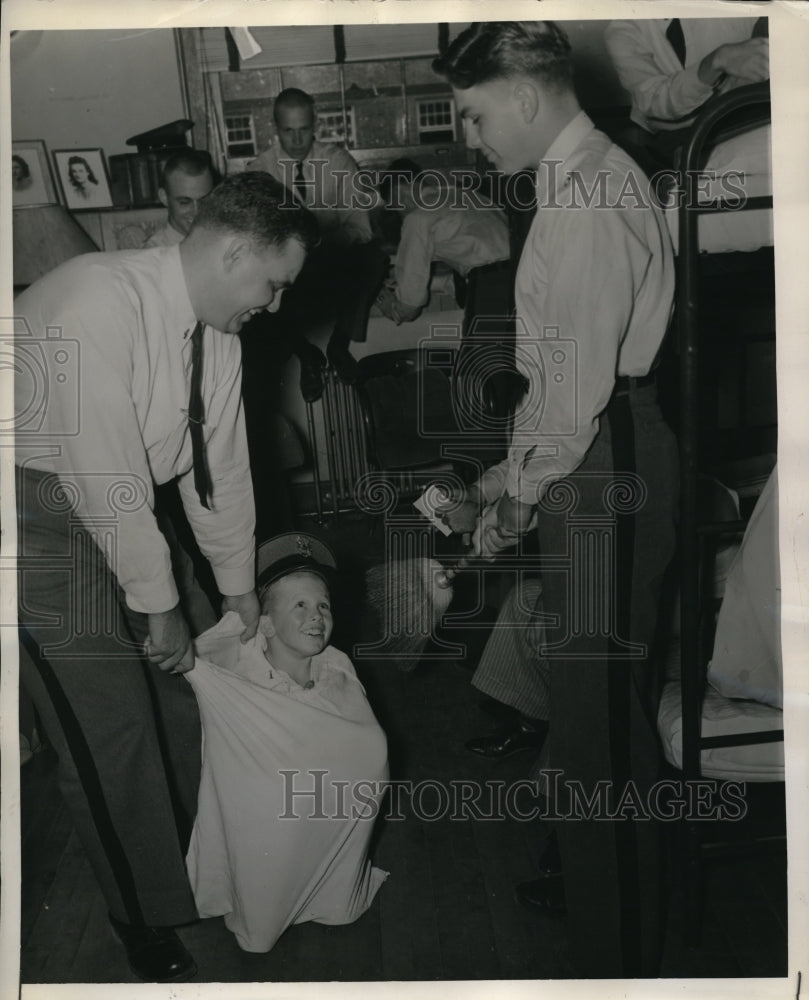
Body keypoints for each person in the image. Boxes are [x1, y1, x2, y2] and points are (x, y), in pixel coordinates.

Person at [14, 172, 318, 983]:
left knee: (193, 689)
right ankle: (138, 914)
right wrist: (159, 605)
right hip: (34, 518)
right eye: (274, 283)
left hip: (120, 507)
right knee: (109, 727)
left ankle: (198, 863)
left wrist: (235, 588)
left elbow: (218, 468)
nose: (275, 305)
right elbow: (102, 474)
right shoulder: (95, 301)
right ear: (233, 251)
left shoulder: (216, 330)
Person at [433, 22, 678, 977]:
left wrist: (517, 501)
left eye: (474, 115)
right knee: (588, 721)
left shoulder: (587, 196)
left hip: (607, 457)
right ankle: (607, 926)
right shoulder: (570, 182)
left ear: (526, 97)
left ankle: (622, 962)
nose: (472, 138)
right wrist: (508, 480)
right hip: (592, 450)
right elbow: (553, 381)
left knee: (602, 733)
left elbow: (574, 394)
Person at [185, 532, 389, 952]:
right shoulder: (238, 685)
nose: (317, 616)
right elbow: (191, 659)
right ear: (265, 623)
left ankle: (326, 886)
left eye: (323, 606)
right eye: (300, 605)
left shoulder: (337, 669)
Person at [246, 87, 389, 386]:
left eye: (304, 129)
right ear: (275, 128)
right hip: (286, 272)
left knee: (374, 258)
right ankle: (304, 352)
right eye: (288, 131)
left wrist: (323, 244)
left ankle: (339, 346)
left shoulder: (338, 161)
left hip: (331, 262)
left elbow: (361, 227)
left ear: (316, 125)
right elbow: (255, 238)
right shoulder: (260, 170)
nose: (297, 140)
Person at [604, 16, 769, 171]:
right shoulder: (624, 29)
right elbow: (654, 101)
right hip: (677, 140)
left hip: (747, 118)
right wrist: (715, 62)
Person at [374, 158, 510, 325]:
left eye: (395, 207)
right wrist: (401, 275)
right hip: (523, 280)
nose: (400, 215)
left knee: (486, 342)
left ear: (398, 193)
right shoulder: (469, 195)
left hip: (490, 290)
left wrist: (387, 303)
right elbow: (480, 258)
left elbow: (410, 306)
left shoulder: (417, 219)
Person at [144, 149, 218, 248]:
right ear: (164, 198)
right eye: (185, 202)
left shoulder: (225, 241)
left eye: (204, 200)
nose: (197, 211)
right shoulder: (154, 252)